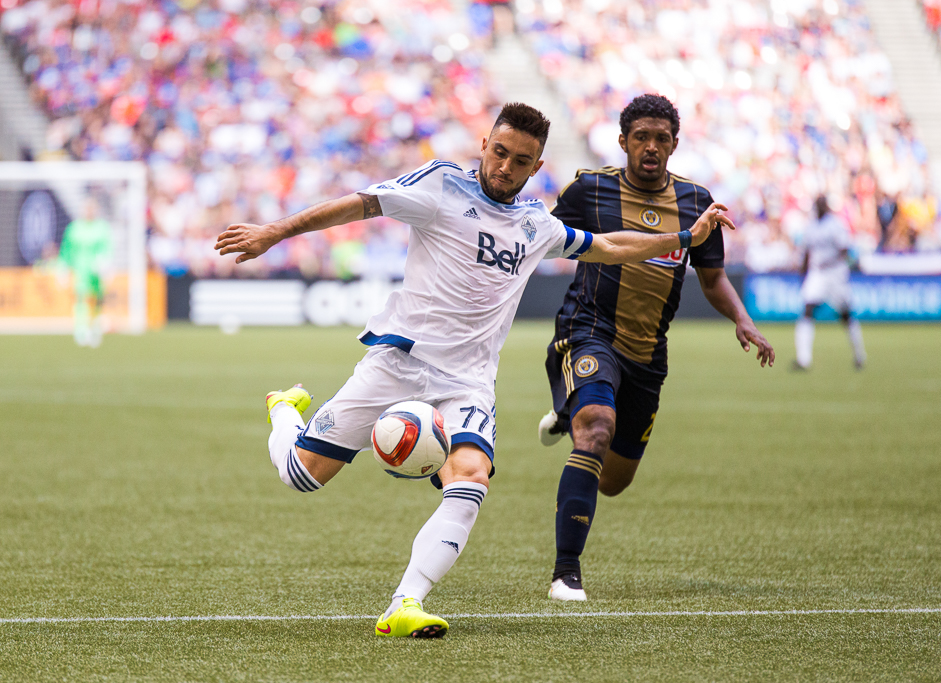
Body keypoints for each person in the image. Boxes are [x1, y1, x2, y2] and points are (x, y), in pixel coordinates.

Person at [214, 102, 731, 638]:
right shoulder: (441, 185)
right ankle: (283, 410)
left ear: (536, 167)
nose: (505, 166)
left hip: (466, 383)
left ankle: (405, 602)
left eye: (521, 160)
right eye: (500, 152)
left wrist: (682, 240)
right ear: (485, 144)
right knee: (301, 476)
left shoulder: (535, 224)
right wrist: (273, 232)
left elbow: (608, 246)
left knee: (470, 479)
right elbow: (361, 205)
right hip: (397, 362)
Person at [536, 94, 775, 602]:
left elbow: (712, 278)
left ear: (674, 144)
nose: (650, 147)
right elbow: (539, 236)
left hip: (647, 356)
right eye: (640, 137)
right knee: (597, 430)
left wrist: (743, 319)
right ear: (623, 141)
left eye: (660, 139)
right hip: (589, 330)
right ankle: (565, 573)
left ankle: (570, 409)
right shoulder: (590, 190)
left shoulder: (696, 201)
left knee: (613, 481)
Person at [793, 195, 867, 371]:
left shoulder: (835, 224)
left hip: (835, 272)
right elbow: (806, 251)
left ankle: (859, 355)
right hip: (817, 273)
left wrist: (829, 260)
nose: (819, 208)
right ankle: (804, 360)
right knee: (807, 308)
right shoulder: (810, 226)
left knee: (845, 314)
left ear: (826, 207)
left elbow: (845, 249)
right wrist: (802, 272)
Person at [59, 197, 113, 347]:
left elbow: (107, 248)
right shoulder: (74, 228)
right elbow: (67, 250)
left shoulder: (102, 227)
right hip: (81, 269)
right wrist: (63, 267)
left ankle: (95, 327)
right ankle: (81, 329)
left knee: (97, 299)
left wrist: (105, 264)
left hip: (96, 271)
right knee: (81, 298)